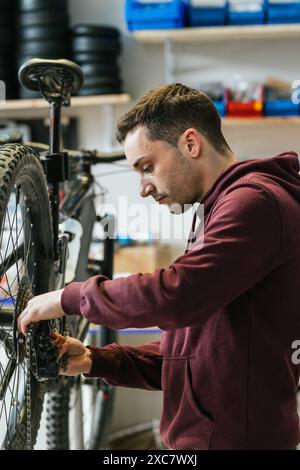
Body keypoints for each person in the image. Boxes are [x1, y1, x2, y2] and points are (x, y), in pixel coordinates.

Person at [17, 83, 300, 450]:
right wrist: (96, 360)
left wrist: (69, 297)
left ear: (191, 144)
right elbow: (192, 351)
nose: (143, 189)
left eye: (147, 167)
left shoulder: (254, 203)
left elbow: (177, 295)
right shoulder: (220, 207)